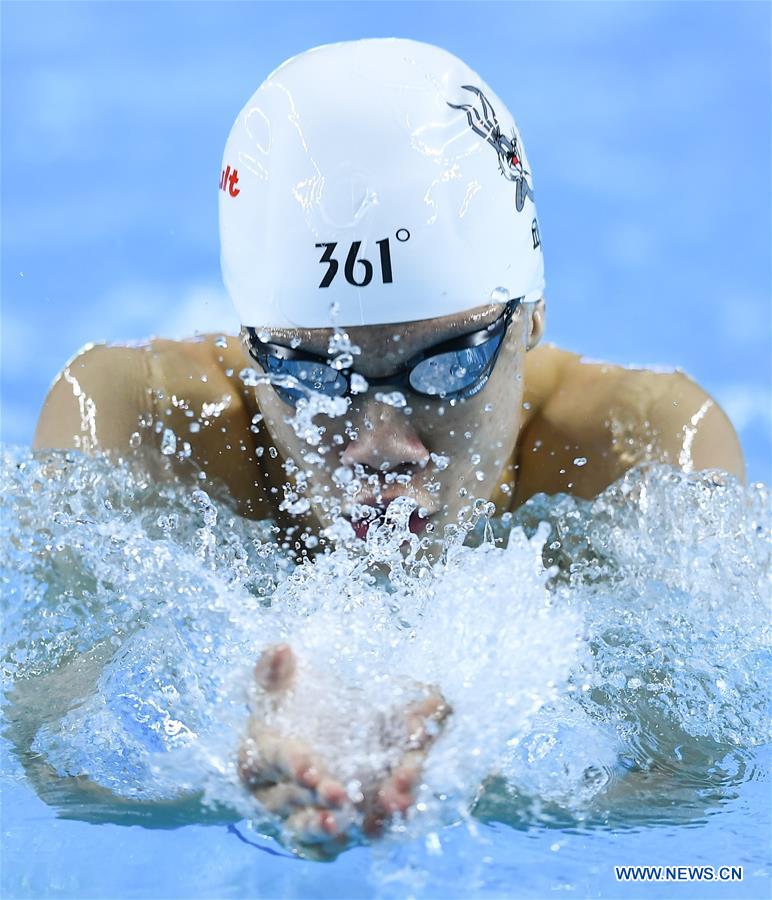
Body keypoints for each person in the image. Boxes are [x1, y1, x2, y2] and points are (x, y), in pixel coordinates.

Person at [32, 39, 744, 852]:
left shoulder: (640, 450)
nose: (379, 445)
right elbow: (60, 761)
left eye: (446, 367)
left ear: (532, 318)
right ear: (254, 350)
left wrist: (476, 774)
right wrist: (224, 766)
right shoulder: (140, 425)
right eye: (312, 374)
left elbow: (693, 779)